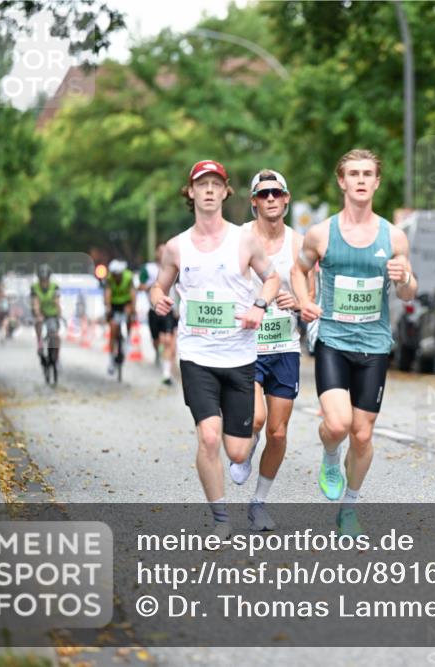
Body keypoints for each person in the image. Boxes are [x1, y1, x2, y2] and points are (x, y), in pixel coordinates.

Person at [149, 160, 279, 538]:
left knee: (237, 452)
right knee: (208, 436)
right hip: (197, 356)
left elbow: (272, 279)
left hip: (239, 356)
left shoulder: (244, 240)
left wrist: (259, 306)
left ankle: (245, 448)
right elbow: (158, 286)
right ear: (190, 192)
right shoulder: (176, 247)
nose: (208, 190)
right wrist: (158, 299)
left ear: (225, 192)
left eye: (215, 184)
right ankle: (221, 519)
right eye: (201, 184)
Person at [292, 149, 417, 537]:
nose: (360, 180)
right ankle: (331, 456)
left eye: (367, 174)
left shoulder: (394, 236)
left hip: (374, 345)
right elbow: (298, 268)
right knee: (338, 424)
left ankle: (349, 509)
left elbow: (409, 292)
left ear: (377, 182)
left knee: (362, 435)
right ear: (342, 181)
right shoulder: (321, 234)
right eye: (353, 174)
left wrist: (403, 278)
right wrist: (305, 301)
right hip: (333, 339)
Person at [228, 169, 307, 531]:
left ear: (286, 199)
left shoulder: (299, 243)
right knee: (256, 418)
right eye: (264, 194)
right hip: (247, 345)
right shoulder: (239, 238)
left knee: (278, 432)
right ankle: (246, 443)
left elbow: (311, 296)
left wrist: (299, 302)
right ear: (254, 202)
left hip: (285, 346)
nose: (271, 198)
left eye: (276, 192)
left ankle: (258, 503)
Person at [141, 244, 180, 385]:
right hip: (154, 310)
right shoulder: (148, 268)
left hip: (169, 310)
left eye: (166, 251)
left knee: (168, 340)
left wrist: (178, 309)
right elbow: (140, 286)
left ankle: (166, 374)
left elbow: (181, 288)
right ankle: (158, 353)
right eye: (161, 251)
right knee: (157, 341)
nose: (164, 254)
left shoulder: (176, 266)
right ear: (156, 253)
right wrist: (155, 286)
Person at [104, 259, 136, 375]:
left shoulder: (128, 277)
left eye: (117, 275)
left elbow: (133, 293)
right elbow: (107, 294)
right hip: (114, 304)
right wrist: (108, 307)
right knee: (113, 330)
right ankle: (111, 360)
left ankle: (128, 338)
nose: (115, 277)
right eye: (113, 275)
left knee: (129, 314)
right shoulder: (109, 278)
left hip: (126, 302)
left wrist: (133, 308)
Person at [31, 264, 61, 366]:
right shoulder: (35, 287)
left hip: (52, 314)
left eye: (45, 279)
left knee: (55, 336)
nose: (44, 282)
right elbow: (35, 303)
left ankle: (57, 357)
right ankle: (40, 344)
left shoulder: (54, 287)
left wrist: (59, 315)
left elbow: (57, 302)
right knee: (38, 323)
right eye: (42, 280)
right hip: (40, 313)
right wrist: (38, 314)